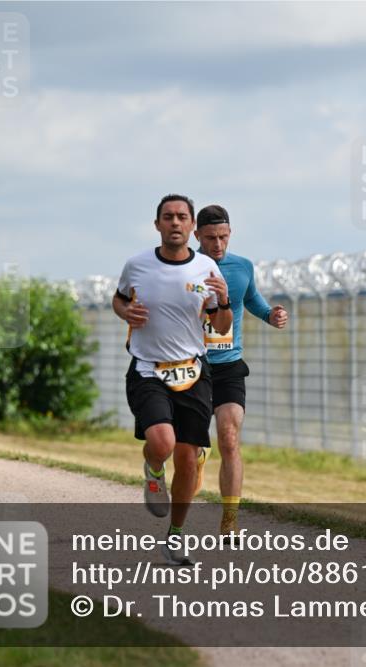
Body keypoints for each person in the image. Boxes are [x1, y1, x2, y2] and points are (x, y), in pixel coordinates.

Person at [113, 193, 232, 565]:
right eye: (168, 217)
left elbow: (221, 325)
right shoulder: (137, 265)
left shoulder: (207, 269)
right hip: (149, 368)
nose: (176, 223)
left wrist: (225, 302)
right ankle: (152, 467)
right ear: (157, 225)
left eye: (182, 217)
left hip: (193, 371)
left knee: (188, 458)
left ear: (192, 226)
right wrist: (126, 311)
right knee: (162, 443)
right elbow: (118, 300)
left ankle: (177, 536)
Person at [193, 204, 288, 539]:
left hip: (230, 365)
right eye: (210, 238)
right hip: (192, 365)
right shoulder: (185, 268)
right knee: (191, 445)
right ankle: (196, 455)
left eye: (223, 237)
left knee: (230, 438)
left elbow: (252, 300)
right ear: (197, 237)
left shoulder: (243, 266)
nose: (218, 244)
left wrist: (271, 315)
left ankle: (230, 519)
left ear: (230, 233)